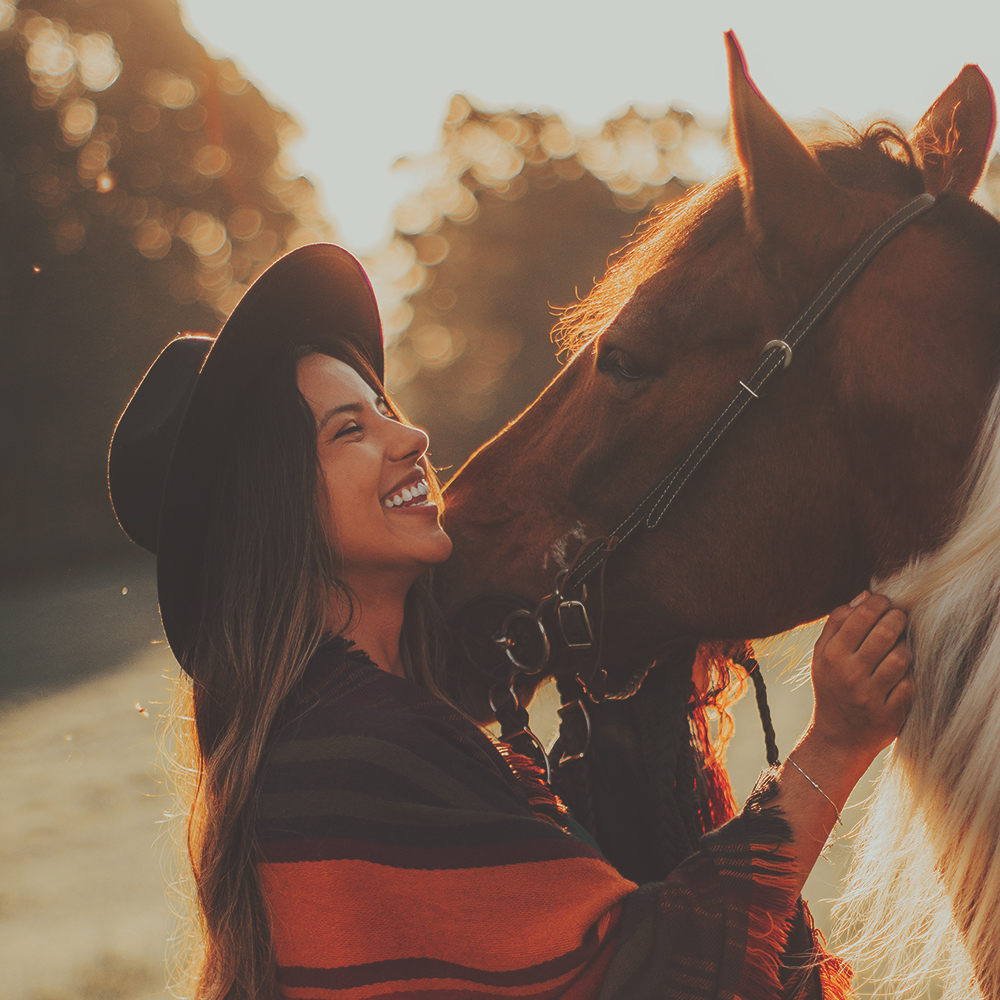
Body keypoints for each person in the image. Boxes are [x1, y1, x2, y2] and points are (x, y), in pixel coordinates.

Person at [108, 244, 913, 1000]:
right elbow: (634, 977)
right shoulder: (358, 748)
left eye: (383, 408)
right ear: (274, 512)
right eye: (349, 430)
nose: (414, 437)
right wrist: (835, 746)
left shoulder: (358, 728)